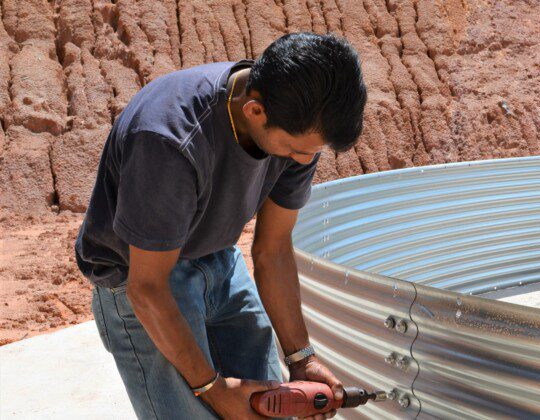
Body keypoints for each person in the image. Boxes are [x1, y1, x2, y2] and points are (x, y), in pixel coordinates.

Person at [75, 32, 367, 419]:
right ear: (254, 111)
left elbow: (273, 249)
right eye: (297, 149)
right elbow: (146, 288)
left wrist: (301, 358)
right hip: (139, 277)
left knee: (266, 410)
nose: (303, 160)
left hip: (217, 259)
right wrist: (212, 389)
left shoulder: (300, 121)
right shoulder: (170, 141)